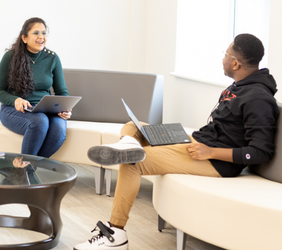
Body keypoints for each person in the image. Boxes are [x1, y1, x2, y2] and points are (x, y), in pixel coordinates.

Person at [74, 33, 279, 250]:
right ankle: (129, 144)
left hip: (214, 160)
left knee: (134, 163)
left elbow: (260, 152)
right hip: (196, 141)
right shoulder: (238, 86)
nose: (223, 59)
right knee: (134, 126)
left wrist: (210, 152)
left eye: (225, 54)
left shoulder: (258, 98)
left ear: (236, 63)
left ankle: (116, 235)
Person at [0, 17, 71, 158]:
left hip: (45, 108)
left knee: (59, 130)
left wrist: (65, 108)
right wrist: (15, 100)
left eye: (44, 33)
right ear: (24, 37)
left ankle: (28, 170)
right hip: (14, 109)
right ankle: (27, 173)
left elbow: (61, 91)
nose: (41, 37)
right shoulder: (10, 57)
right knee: (40, 122)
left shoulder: (52, 58)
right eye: (36, 33)